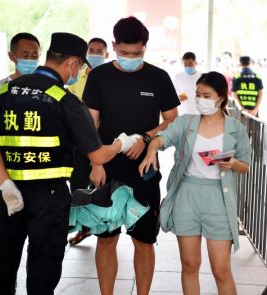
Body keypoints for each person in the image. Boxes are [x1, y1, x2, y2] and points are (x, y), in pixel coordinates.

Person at [0, 32, 140, 295]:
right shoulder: (66, 102)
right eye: (79, 68)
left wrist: (6, 185)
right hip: (48, 197)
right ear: (73, 64)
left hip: (9, 196)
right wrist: (120, 144)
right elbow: (97, 156)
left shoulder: (6, 91)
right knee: (43, 268)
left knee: (4, 263)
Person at [83, 16, 180, 295]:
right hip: (107, 169)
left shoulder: (158, 77)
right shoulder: (99, 77)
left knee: (144, 240)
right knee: (106, 238)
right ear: (114, 46)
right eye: (124, 53)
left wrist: (147, 138)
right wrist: (96, 162)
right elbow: (91, 124)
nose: (130, 58)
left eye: (137, 53)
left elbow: (172, 119)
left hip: (144, 169)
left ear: (145, 48)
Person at [139, 71, 251, 295]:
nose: (200, 99)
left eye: (206, 95)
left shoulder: (235, 128)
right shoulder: (186, 122)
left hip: (218, 198)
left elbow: (245, 165)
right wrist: (151, 150)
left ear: (221, 98)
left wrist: (232, 163)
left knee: (221, 269)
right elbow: (163, 138)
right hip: (187, 196)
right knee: (190, 265)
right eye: (198, 94)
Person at [0, 32, 41, 194]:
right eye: (25, 55)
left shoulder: (46, 87)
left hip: (39, 166)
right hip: (5, 167)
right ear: (12, 56)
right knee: (7, 213)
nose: (31, 59)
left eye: (35, 55)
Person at [68, 37, 109, 246]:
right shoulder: (76, 78)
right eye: (91, 50)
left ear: (106, 54)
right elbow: (72, 105)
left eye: (99, 51)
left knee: (102, 186)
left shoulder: (110, 76)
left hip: (105, 141)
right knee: (78, 185)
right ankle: (82, 227)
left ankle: (101, 227)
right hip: (81, 141)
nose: (95, 54)